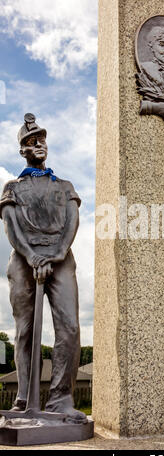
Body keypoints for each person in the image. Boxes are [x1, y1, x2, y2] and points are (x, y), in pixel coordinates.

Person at [0, 113, 86, 423]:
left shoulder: (64, 185)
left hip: (61, 259)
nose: (40, 145)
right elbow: (11, 227)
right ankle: (24, 397)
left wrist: (59, 252)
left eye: (42, 141)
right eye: (32, 142)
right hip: (24, 260)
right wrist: (30, 256)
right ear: (22, 149)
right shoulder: (12, 187)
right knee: (26, 331)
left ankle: (61, 399)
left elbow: (72, 220)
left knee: (70, 328)